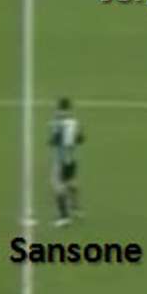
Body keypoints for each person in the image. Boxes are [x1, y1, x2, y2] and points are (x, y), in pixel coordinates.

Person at [49, 97, 84, 227]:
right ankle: (76, 208)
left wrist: (54, 141)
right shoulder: (74, 122)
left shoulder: (57, 123)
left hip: (61, 160)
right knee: (71, 182)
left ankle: (64, 217)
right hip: (72, 159)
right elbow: (81, 139)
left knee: (57, 185)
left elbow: (54, 140)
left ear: (59, 108)